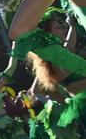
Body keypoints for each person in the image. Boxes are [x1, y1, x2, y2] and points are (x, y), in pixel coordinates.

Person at [26, 8, 86, 137]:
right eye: (59, 27)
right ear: (49, 35)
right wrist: (73, 26)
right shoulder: (53, 61)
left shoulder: (65, 56)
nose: (63, 29)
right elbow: (35, 90)